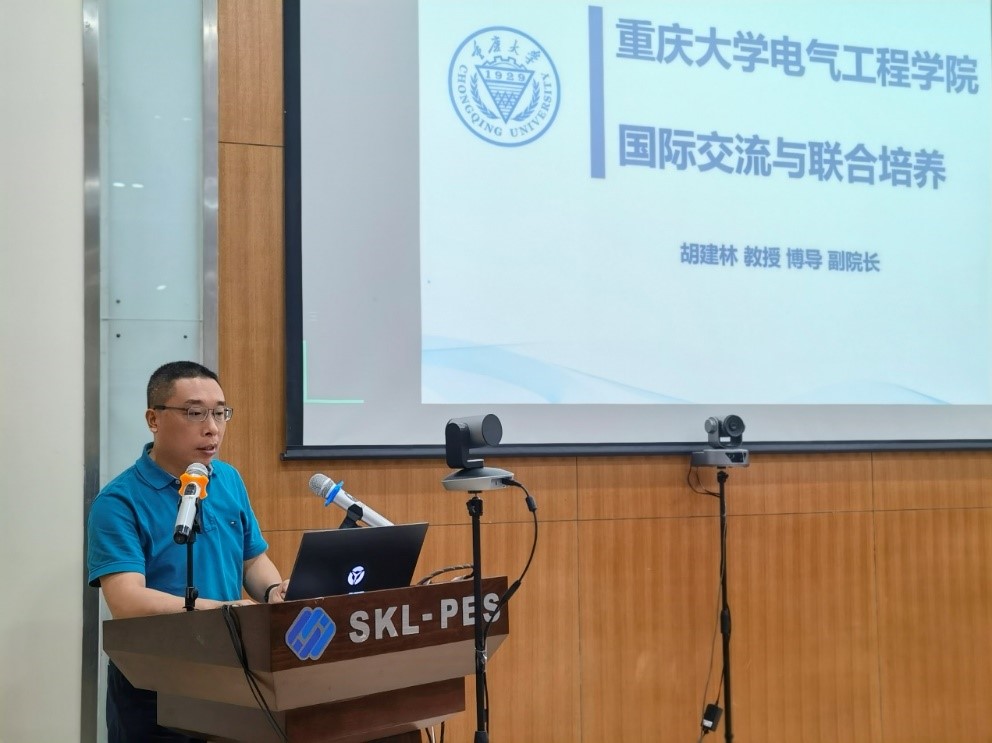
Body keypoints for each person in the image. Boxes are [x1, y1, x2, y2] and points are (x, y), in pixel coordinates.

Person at [87, 361, 290, 742]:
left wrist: (272, 591)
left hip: (231, 672)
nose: (212, 428)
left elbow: (252, 559)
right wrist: (223, 611)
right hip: (155, 684)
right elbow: (127, 601)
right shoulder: (118, 501)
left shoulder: (227, 478)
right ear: (154, 419)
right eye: (195, 413)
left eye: (220, 413)